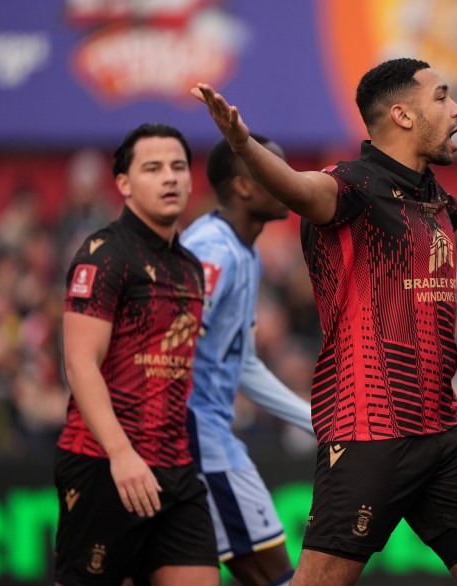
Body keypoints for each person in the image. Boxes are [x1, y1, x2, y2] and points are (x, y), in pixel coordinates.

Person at [191, 56, 457, 586]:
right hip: (370, 427)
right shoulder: (348, 188)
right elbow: (299, 189)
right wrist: (243, 145)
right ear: (403, 115)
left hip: (443, 426)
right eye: (441, 97)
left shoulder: (430, 196)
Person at [54, 123, 219, 586]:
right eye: (153, 168)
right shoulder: (103, 255)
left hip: (176, 470)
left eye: (178, 167)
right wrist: (121, 454)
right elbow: (79, 364)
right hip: (106, 462)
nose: (169, 177)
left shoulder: (189, 266)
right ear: (123, 184)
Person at [181, 135, 315, 586]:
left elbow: (242, 364)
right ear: (242, 187)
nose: (286, 182)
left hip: (199, 436)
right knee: (274, 574)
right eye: (271, 172)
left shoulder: (244, 251)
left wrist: (315, 420)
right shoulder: (213, 250)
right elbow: (168, 345)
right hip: (197, 440)